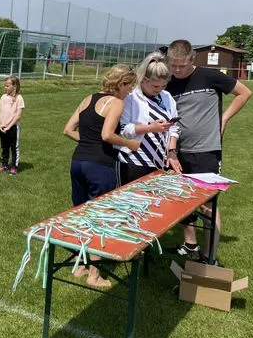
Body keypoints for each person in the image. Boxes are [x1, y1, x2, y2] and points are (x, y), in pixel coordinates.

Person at [166, 39, 252, 263]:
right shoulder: (168, 83)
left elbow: (244, 93)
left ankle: (209, 256)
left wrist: (224, 118)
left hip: (206, 150)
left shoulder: (210, 76)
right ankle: (190, 244)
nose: (177, 70)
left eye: (182, 65)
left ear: (192, 59)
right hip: (176, 152)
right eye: (173, 65)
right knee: (181, 199)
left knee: (207, 204)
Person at [63, 64, 141, 287]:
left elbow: (68, 129)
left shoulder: (88, 98)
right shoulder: (116, 102)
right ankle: (94, 275)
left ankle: (81, 265)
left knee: (82, 215)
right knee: (100, 217)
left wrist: (88, 143)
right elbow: (107, 135)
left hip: (78, 162)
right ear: (121, 84)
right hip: (100, 166)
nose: (130, 92)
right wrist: (129, 143)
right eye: (130, 87)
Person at [117, 52, 180, 186]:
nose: (160, 90)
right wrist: (150, 128)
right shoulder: (131, 97)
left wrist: (171, 152)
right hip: (133, 160)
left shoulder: (167, 97)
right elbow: (124, 129)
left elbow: (174, 127)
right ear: (144, 79)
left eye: (163, 86)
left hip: (159, 162)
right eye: (156, 86)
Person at [0, 76, 25, 175]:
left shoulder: (19, 98)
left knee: (14, 147)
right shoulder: (3, 97)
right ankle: (4, 164)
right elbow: (0, 111)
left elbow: (18, 115)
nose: (5, 87)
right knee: (4, 147)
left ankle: (14, 166)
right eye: (5, 85)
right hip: (2, 127)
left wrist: (9, 126)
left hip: (13, 127)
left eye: (7, 86)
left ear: (14, 86)